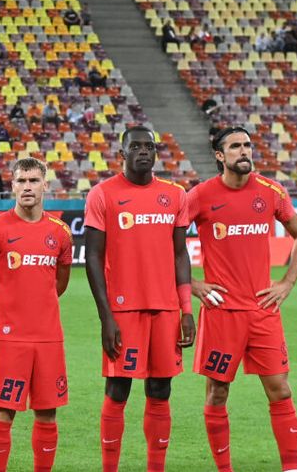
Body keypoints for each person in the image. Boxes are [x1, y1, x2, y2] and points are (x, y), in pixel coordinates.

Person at [188, 127, 297, 472]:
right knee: (218, 392)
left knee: (280, 389)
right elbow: (164, 241)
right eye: (235, 146)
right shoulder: (201, 195)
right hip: (222, 312)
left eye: (247, 145)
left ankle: (291, 469)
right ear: (220, 155)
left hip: (263, 309)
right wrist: (192, 284)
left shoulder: (270, 191)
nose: (244, 151)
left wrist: (288, 282)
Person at [84, 126, 195, 472]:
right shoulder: (103, 195)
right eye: (136, 146)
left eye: (149, 146)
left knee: (161, 389)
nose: (144, 151)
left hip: (166, 308)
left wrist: (187, 309)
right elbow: (93, 258)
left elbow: (181, 255)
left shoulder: (175, 195)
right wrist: (106, 318)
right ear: (123, 154)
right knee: (118, 389)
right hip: (123, 309)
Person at [0, 157, 73, 472]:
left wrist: (36, 307)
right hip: (9, 338)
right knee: (4, 412)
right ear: (12, 186)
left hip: (48, 337)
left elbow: (60, 283)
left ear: (45, 185)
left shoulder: (60, 232)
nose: (27, 187)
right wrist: (8, 308)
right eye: (21, 181)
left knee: (47, 413)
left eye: (33, 181)